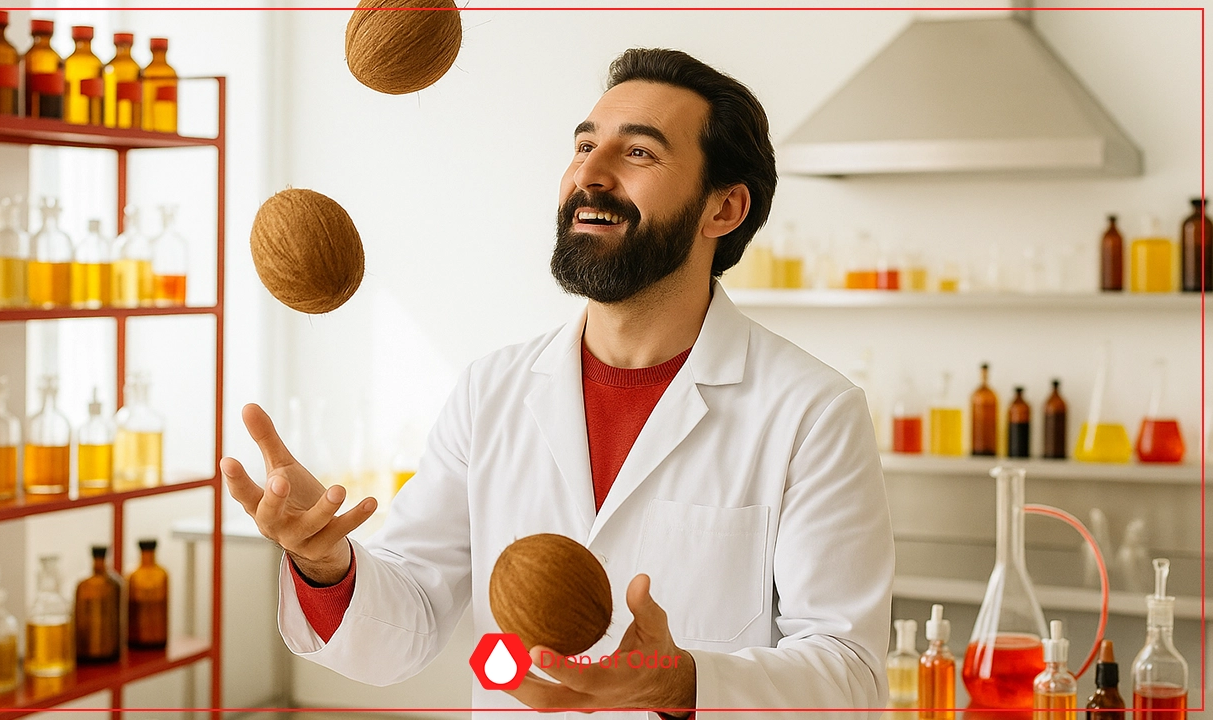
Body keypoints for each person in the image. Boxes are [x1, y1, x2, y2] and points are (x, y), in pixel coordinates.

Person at [223, 47, 893, 718]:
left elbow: (851, 676)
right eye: (583, 145)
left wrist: (681, 683)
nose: (589, 175)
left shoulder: (813, 412)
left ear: (724, 208)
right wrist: (326, 564)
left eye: (638, 154)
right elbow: (410, 621)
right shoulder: (492, 393)